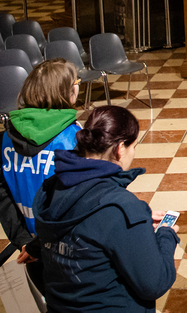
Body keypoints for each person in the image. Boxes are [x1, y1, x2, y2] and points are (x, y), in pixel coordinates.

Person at [33, 106, 178, 312]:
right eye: (133, 146)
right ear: (120, 148)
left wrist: (137, 220)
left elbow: (77, 223)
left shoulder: (53, 188)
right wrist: (166, 235)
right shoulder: (121, 208)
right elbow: (155, 284)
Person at [0, 59, 81, 282]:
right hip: (69, 248)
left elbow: (3, 196)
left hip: (30, 246)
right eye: (76, 82)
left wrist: (24, 240)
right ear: (67, 91)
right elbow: (77, 201)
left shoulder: (6, 138)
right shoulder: (72, 138)